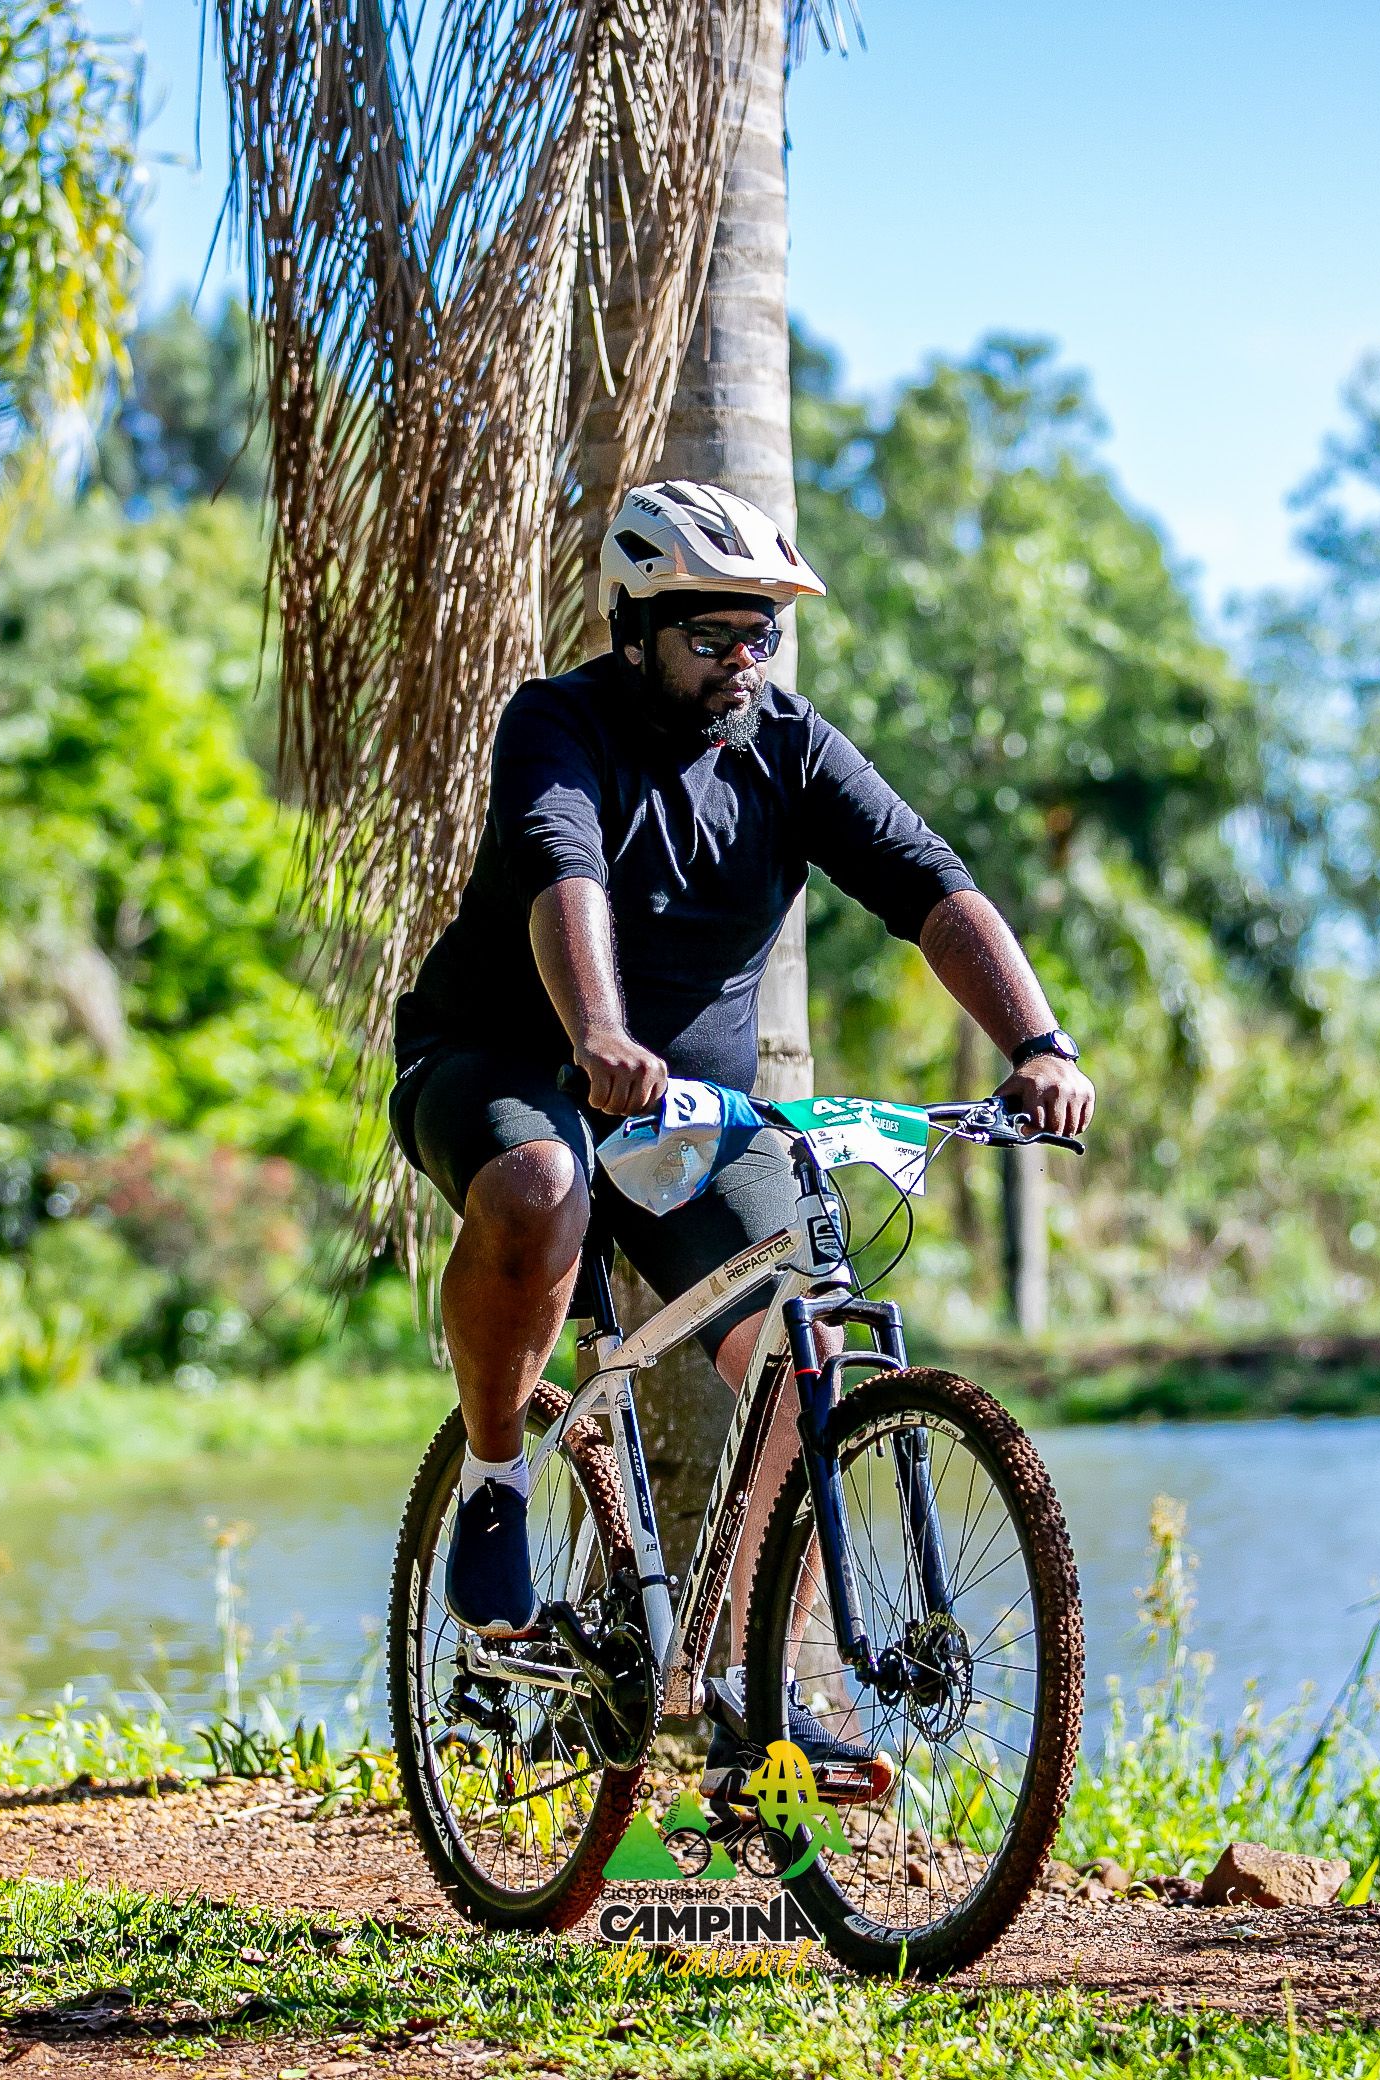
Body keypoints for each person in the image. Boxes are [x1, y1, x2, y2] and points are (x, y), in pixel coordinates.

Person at [387, 479, 1096, 1775]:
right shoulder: (558, 723)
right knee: (540, 1184)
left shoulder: (791, 747)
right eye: (709, 635)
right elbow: (561, 869)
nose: (741, 660)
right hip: (502, 1061)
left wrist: (1038, 1045)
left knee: (805, 1349)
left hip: (688, 1116)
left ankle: (737, 1683)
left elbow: (929, 886)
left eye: (761, 633)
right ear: (633, 629)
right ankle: (494, 1477)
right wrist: (599, 1033)